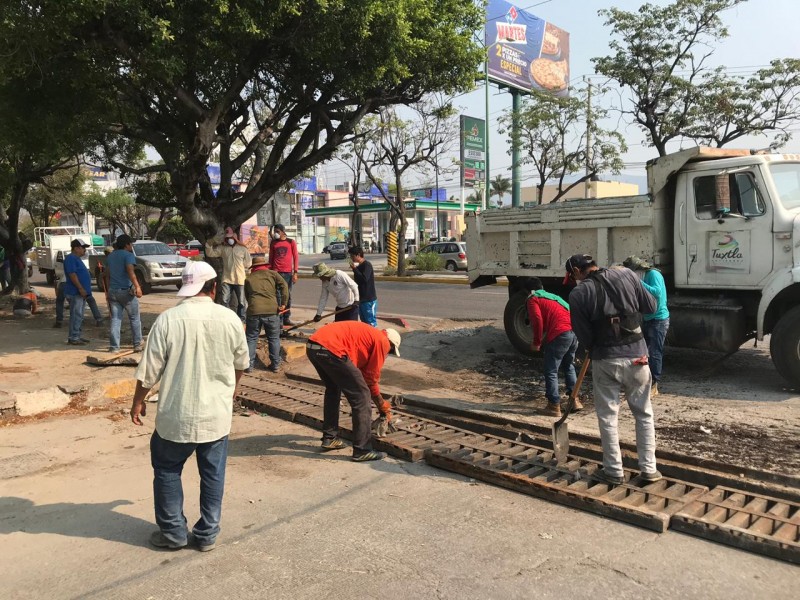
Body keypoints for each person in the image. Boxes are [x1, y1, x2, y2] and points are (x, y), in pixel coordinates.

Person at [130, 260, 249, 551]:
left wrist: (137, 402)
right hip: (215, 417)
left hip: (175, 416)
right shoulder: (230, 319)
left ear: (185, 287)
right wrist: (230, 390)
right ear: (214, 288)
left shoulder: (168, 320)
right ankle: (207, 535)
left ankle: (173, 534)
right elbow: (242, 363)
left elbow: (149, 371)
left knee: (168, 470)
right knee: (213, 474)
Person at [565, 253, 660, 485]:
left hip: (605, 359)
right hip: (638, 356)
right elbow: (651, 306)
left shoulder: (578, 294)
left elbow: (583, 335)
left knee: (608, 416)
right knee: (644, 413)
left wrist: (595, 346)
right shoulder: (626, 274)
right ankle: (649, 470)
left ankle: (613, 471)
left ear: (577, 271)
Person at [305, 321, 402, 461]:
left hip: (313, 345)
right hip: (331, 349)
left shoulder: (369, 336)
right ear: (391, 344)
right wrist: (381, 404)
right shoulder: (383, 341)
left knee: (333, 389)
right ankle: (362, 449)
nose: (388, 353)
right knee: (362, 397)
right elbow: (371, 378)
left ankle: (329, 437)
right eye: (391, 351)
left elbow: (361, 372)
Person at [524, 280, 579, 417]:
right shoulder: (555, 297)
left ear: (529, 291)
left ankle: (553, 405)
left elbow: (537, 320)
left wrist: (536, 342)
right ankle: (574, 400)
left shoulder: (533, 299)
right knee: (569, 366)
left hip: (560, 333)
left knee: (551, 370)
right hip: (573, 332)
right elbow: (570, 311)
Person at [623, 256, 670, 397]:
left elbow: (656, 292)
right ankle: (644, 381)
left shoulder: (653, 274)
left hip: (659, 319)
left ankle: (654, 384)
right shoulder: (643, 276)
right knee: (644, 352)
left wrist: (638, 282)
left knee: (655, 352)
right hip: (648, 318)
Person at [244, 256, 288, 373]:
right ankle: (275, 365)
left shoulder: (249, 278)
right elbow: (284, 286)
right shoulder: (273, 274)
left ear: (253, 267)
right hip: (271, 311)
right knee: (273, 338)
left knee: (251, 338)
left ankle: (249, 366)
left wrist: (254, 306)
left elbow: (247, 296)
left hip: (254, 311)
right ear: (265, 265)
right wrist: (283, 303)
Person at [105, 235, 144, 353]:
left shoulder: (111, 256)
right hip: (125, 291)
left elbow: (107, 274)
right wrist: (137, 287)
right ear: (127, 244)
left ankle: (114, 347)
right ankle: (137, 344)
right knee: (134, 318)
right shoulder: (128, 255)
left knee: (116, 319)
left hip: (113, 291)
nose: (131, 246)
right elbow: (130, 271)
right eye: (130, 244)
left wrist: (107, 291)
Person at [204, 227, 252, 322]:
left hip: (240, 279)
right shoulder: (223, 249)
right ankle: (227, 318)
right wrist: (209, 244)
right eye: (227, 238)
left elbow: (248, 263)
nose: (229, 239)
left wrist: (242, 267)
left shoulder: (242, 249)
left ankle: (241, 320)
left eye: (231, 237)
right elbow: (211, 253)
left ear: (235, 238)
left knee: (241, 302)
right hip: (227, 279)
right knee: (225, 300)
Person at [63, 238, 94, 345]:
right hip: (75, 292)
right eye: (83, 248)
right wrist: (80, 288)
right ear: (76, 248)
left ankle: (76, 335)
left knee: (78, 315)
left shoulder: (76, 258)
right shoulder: (71, 258)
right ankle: (74, 337)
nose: (84, 250)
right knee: (77, 315)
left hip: (80, 293)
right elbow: (72, 274)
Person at [267, 224, 299, 326]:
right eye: (275, 231)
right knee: (278, 296)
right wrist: (270, 271)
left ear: (283, 231)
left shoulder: (290, 242)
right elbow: (271, 258)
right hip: (276, 272)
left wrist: (295, 273)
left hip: (288, 273)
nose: (276, 233)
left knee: (288, 295)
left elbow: (296, 257)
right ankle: (279, 319)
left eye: (277, 231)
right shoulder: (273, 242)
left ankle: (286, 318)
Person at [348, 246, 378, 327]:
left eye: (352, 256)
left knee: (371, 323)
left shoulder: (367, 265)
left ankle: (374, 339)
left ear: (358, 255)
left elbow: (364, 279)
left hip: (369, 299)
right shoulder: (358, 267)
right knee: (364, 324)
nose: (351, 258)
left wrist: (355, 269)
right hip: (361, 299)